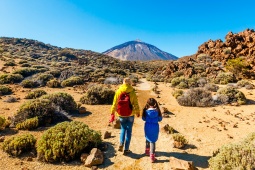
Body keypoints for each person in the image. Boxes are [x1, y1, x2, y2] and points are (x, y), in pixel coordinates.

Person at [110, 78, 140, 155]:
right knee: (129, 131)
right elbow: (135, 103)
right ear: (130, 83)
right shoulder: (132, 91)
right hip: (130, 114)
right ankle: (126, 149)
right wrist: (137, 111)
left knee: (123, 129)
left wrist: (112, 112)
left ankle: (121, 143)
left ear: (123, 83)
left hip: (121, 114)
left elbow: (115, 103)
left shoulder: (118, 91)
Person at [142, 98, 162, 162]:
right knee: (153, 141)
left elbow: (143, 118)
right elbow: (160, 119)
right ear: (155, 103)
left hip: (147, 126)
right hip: (155, 127)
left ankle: (147, 151)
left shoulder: (146, 111)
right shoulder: (157, 111)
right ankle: (152, 157)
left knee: (147, 137)